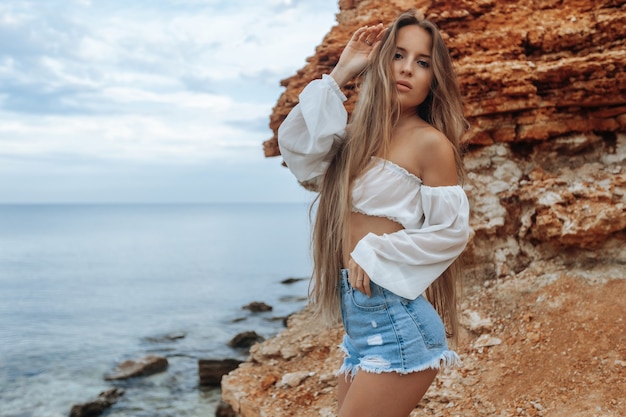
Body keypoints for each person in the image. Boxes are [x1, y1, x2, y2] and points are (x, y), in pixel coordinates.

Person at [277, 9, 471, 417]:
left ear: (434, 78)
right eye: (397, 55)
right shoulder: (355, 138)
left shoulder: (430, 144)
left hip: (397, 321)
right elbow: (299, 152)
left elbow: (452, 231)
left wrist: (374, 252)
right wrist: (343, 70)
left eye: (422, 63)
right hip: (360, 324)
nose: (406, 70)